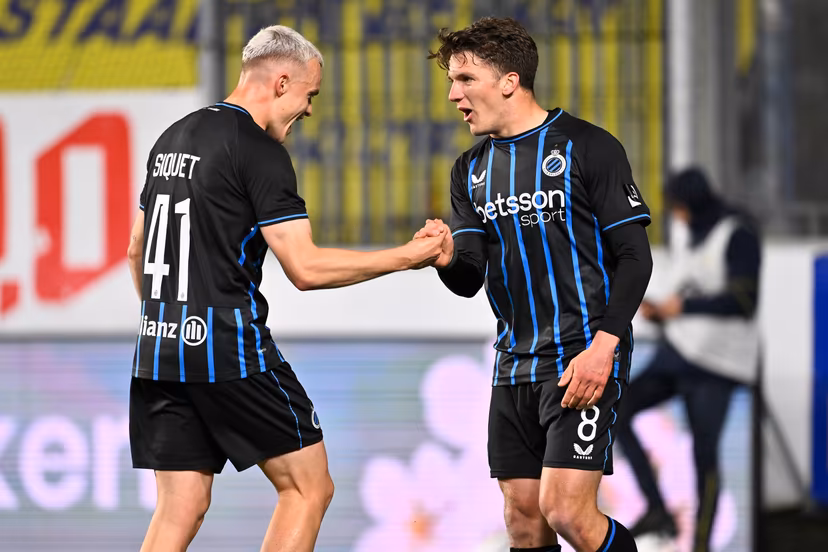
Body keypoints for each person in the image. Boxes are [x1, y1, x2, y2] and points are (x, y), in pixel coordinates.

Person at [125, 25, 444, 552]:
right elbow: (306, 267)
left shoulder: (172, 138)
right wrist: (410, 256)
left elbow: (136, 249)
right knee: (308, 487)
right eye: (309, 94)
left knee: (178, 506)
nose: (310, 110)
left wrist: (167, 321)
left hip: (158, 350)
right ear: (280, 82)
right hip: (227, 349)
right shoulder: (257, 149)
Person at [416, 16, 653, 552]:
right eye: (451, 82)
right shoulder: (469, 171)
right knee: (524, 519)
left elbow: (635, 257)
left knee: (566, 509)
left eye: (465, 80)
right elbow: (469, 280)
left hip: (581, 359)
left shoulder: (588, 147)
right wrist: (445, 257)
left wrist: (604, 348)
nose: (454, 95)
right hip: (513, 362)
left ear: (509, 80)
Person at [615, 167, 762, 551]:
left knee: (704, 454)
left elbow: (744, 301)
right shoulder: (686, 233)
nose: (676, 215)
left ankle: (701, 543)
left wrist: (683, 306)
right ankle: (657, 507)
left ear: (692, 204)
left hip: (717, 364)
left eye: (678, 207)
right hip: (679, 351)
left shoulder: (737, 233)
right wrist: (662, 308)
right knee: (617, 409)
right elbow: (684, 281)